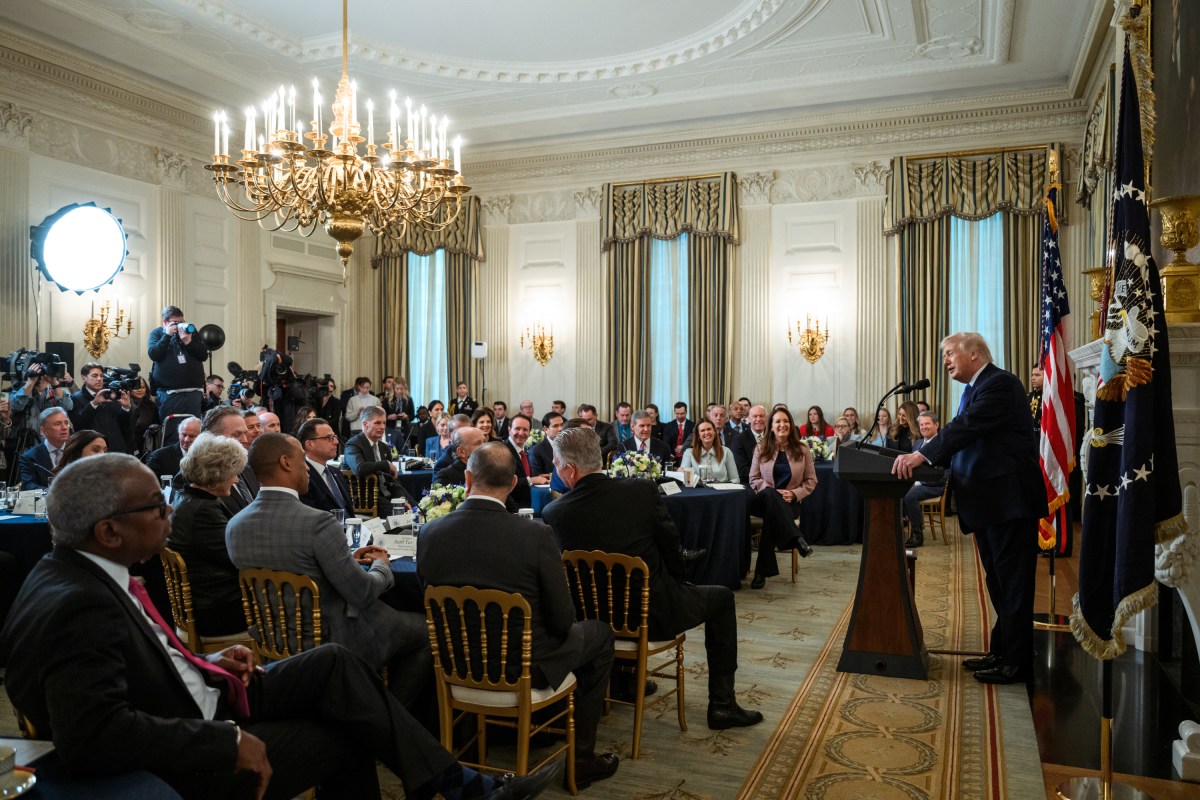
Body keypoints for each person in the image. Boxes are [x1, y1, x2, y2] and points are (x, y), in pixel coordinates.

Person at [0, 452, 558, 800]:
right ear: (109, 531)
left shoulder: (77, 571)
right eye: (156, 507)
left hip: (206, 690)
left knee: (336, 666)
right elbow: (92, 735)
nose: (169, 514)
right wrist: (223, 740)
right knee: (352, 727)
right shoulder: (79, 604)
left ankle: (454, 782)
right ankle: (458, 784)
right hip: (193, 734)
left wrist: (206, 663)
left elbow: (138, 664)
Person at [418, 442, 619, 789]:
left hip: (457, 665)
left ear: (467, 478)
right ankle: (582, 759)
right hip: (525, 667)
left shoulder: (429, 532)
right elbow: (561, 618)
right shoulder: (535, 533)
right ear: (513, 484)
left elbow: (431, 600)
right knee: (599, 634)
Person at [542, 427, 764, 731]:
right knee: (722, 598)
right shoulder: (640, 491)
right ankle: (723, 705)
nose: (555, 470)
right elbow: (672, 549)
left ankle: (624, 681)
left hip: (593, 619)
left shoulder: (555, 512)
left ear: (569, 469)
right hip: (653, 614)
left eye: (555, 464)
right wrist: (680, 582)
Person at [227, 434, 432, 708]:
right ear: (286, 463)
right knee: (431, 631)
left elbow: (296, 567)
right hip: (335, 638)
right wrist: (382, 564)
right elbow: (362, 592)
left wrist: (345, 558)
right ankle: (390, 714)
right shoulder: (317, 523)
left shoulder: (235, 525)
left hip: (273, 638)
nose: (307, 468)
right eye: (302, 459)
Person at [892, 332, 1046, 684]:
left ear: (974, 354)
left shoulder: (1000, 384)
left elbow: (967, 428)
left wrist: (922, 454)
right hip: (990, 503)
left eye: (949, 353)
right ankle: (1002, 651)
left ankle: (1018, 663)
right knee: (999, 583)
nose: (945, 360)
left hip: (1009, 501)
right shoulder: (975, 388)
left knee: (1013, 584)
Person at [168, 432, 248, 635]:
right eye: (233, 473)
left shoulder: (185, 497)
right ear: (216, 473)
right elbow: (237, 559)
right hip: (216, 610)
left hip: (206, 601)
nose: (236, 480)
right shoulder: (203, 510)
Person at [747, 408, 816, 588]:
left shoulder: (802, 449)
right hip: (762, 499)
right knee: (770, 495)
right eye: (777, 421)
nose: (782, 425)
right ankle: (797, 539)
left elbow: (811, 480)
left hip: (790, 502)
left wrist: (795, 494)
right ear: (771, 427)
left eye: (785, 421)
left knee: (772, 515)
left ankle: (761, 572)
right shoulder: (761, 448)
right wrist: (771, 491)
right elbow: (753, 479)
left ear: (791, 425)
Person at [147, 306, 208, 445]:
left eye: (181, 321)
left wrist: (188, 341)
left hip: (193, 394)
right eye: (175, 323)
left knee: (194, 433)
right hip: (169, 395)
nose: (179, 325)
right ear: (165, 322)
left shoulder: (190, 332)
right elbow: (154, 354)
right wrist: (167, 336)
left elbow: (203, 355)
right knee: (172, 435)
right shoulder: (157, 333)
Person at [344, 406, 415, 514]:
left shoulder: (384, 447)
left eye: (384, 423)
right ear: (365, 424)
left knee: (417, 508)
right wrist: (386, 464)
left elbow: (393, 479)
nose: (382, 427)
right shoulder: (353, 444)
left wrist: (401, 500)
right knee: (402, 511)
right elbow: (360, 468)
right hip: (366, 496)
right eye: (377, 423)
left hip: (386, 494)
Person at [200, 406, 259, 517]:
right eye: (236, 435)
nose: (245, 440)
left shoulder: (248, 469)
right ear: (211, 438)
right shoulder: (197, 478)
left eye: (245, 433)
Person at [902, 411, 947, 548]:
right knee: (895, 490)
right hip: (915, 482)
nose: (924, 427)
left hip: (934, 484)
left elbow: (941, 472)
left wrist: (918, 482)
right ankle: (898, 530)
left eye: (927, 423)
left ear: (936, 425)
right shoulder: (918, 443)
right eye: (921, 424)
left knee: (910, 496)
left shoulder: (943, 443)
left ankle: (917, 535)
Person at [69, 362, 134, 454]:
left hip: (117, 450)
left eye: (101, 376)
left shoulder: (111, 393)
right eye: (94, 376)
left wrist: (126, 408)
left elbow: (125, 426)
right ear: (84, 378)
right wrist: (94, 403)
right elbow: (78, 425)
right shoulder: (75, 398)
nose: (99, 379)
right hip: (93, 452)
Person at [296, 418, 353, 516]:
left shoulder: (336, 472)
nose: (336, 442)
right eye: (329, 438)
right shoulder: (302, 476)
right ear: (309, 444)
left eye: (334, 437)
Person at [17, 407, 72, 490]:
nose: (64, 427)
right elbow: (28, 485)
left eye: (66, 423)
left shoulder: (77, 451)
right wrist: (54, 492)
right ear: (43, 431)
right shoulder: (29, 458)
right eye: (57, 424)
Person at [504, 414, 549, 509]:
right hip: (512, 508)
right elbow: (504, 483)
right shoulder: (503, 451)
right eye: (517, 428)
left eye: (525, 430)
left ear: (529, 432)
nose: (521, 433)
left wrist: (536, 477)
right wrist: (531, 480)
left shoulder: (524, 450)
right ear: (509, 429)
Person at [144, 416, 202, 484]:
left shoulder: (207, 457)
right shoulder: (159, 456)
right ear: (178, 434)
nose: (186, 440)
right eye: (183, 435)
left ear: (201, 436)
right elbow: (145, 482)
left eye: (191, 436)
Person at [731, 404, 769, 486]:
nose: (758, 419)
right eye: (755, 416)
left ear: (766, 418)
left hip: (774, 482)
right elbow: (742, 469)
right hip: (750, 484)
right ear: (749, 419)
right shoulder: (739, 440)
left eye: (761, 416)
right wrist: (767, 474)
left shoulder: (773, 437)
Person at [127, 377, 160, 454]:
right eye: (136, 387)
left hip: (145, 447)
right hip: (127, 446)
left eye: (142, 387)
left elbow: (156, 425)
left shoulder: (152, 406)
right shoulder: (124, 405)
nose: (139, 390)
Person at [530, 412, 564, 476]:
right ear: (546, 430)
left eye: (562, 425)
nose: (560, 429)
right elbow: (537, 477)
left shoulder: (570, 446)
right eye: (555, 426)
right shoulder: (536, 450)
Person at [385, 380, 416, 446]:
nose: (399, 391)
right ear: (393, 388)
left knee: (404, 448)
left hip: (404, 429)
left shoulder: (409, 399)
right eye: (397, 389)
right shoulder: (387, 399)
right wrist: (389, 417)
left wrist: (406, 417)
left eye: (401, 389)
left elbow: (413, 416)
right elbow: (382, 415)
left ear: (404, 389)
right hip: (391, 427)